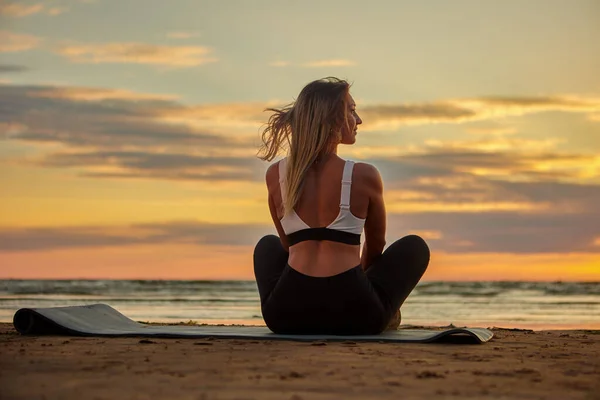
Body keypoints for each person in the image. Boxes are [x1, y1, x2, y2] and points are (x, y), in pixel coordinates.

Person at [254, 77, 430, 335]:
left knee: (266, 246)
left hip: (285, 315)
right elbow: (375, 247)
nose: (358, 120)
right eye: (352, 110)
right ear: (333, 118)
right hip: (358, 315)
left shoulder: (275, 176)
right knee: (415, 247)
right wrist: (358, 282)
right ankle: (387, 311)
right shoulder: (364, 175)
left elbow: (287, 247)